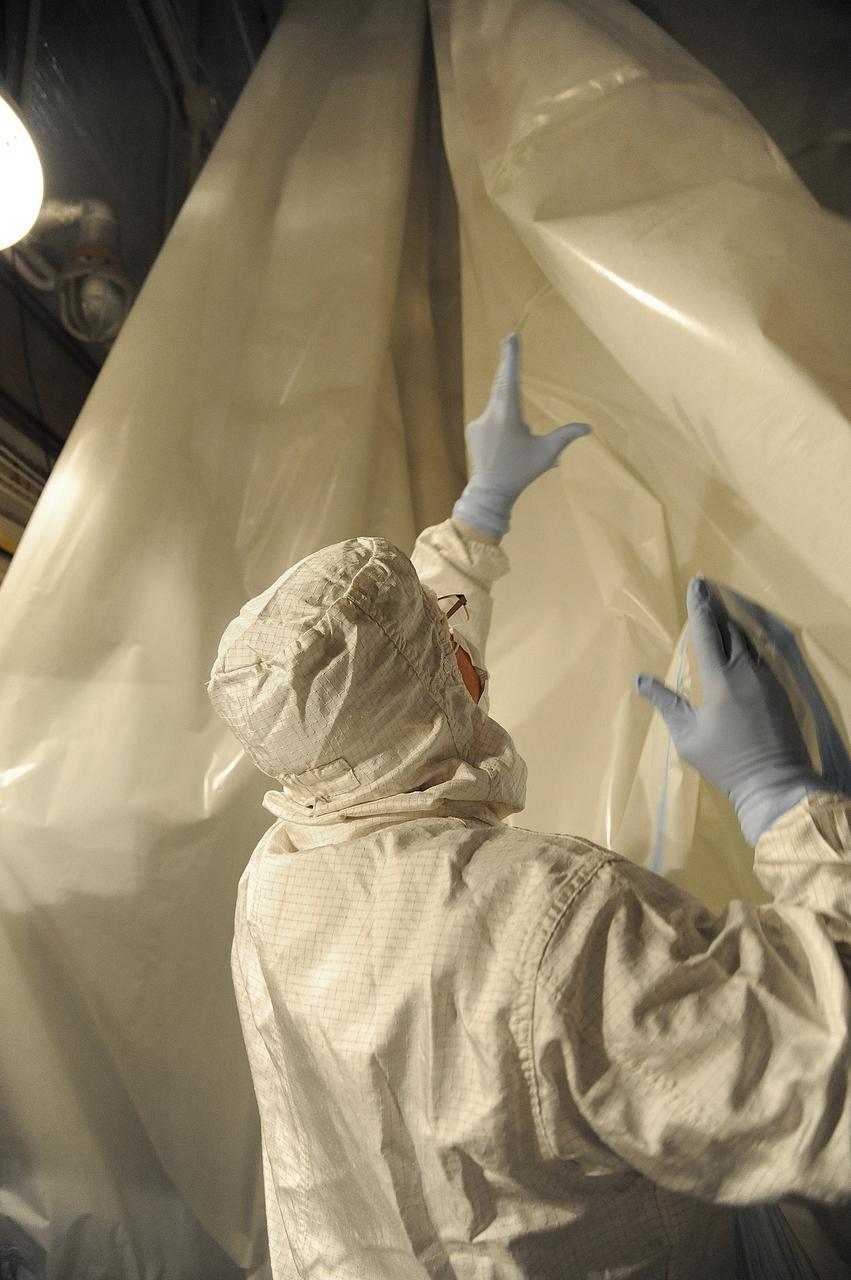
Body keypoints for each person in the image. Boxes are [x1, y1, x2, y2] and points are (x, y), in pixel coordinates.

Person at [207, 334, 851, 1280]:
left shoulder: (279, 876)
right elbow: (819, 1072)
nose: (469, 654)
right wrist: (784, 801)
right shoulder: (554, 924)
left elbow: (377, 687)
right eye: (444, 649)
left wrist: (479, 514)